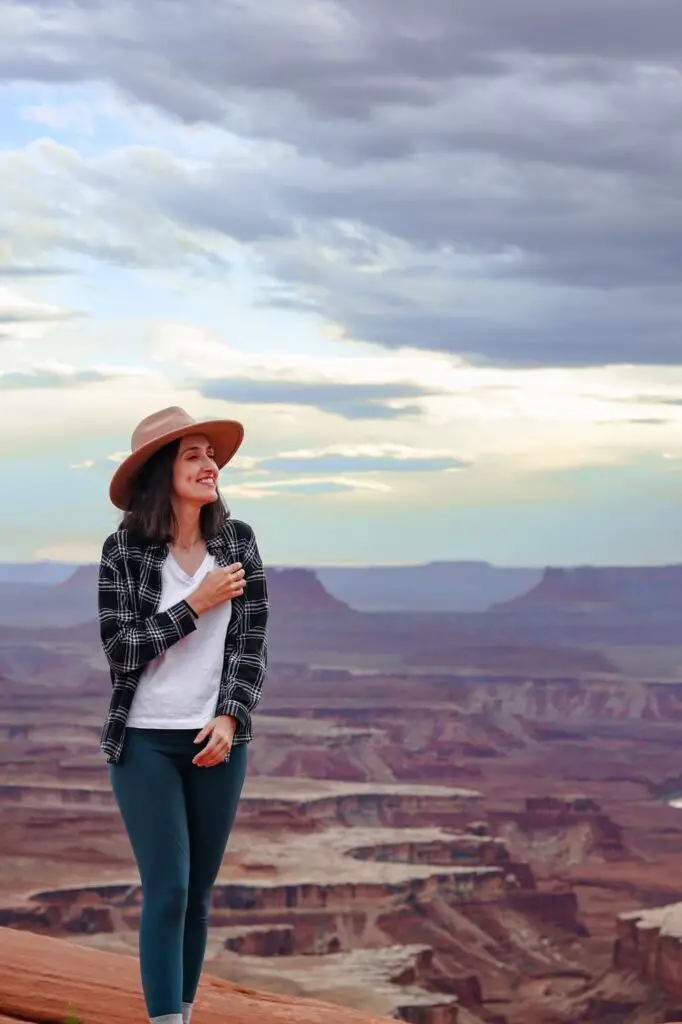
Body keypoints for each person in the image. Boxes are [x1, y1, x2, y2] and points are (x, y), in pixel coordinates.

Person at [97, 406, 268, 1024]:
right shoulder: (125, 550)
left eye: (210, 454)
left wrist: (230, 717)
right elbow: (121, 649)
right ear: (161, 471)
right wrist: (194, 603)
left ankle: (181, 1018)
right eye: (192, 454)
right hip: (145, 741)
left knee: (197, 896)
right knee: (166, 889)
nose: (209, 464)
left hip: (217, 741)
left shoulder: (238, 541)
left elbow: (251, 643)